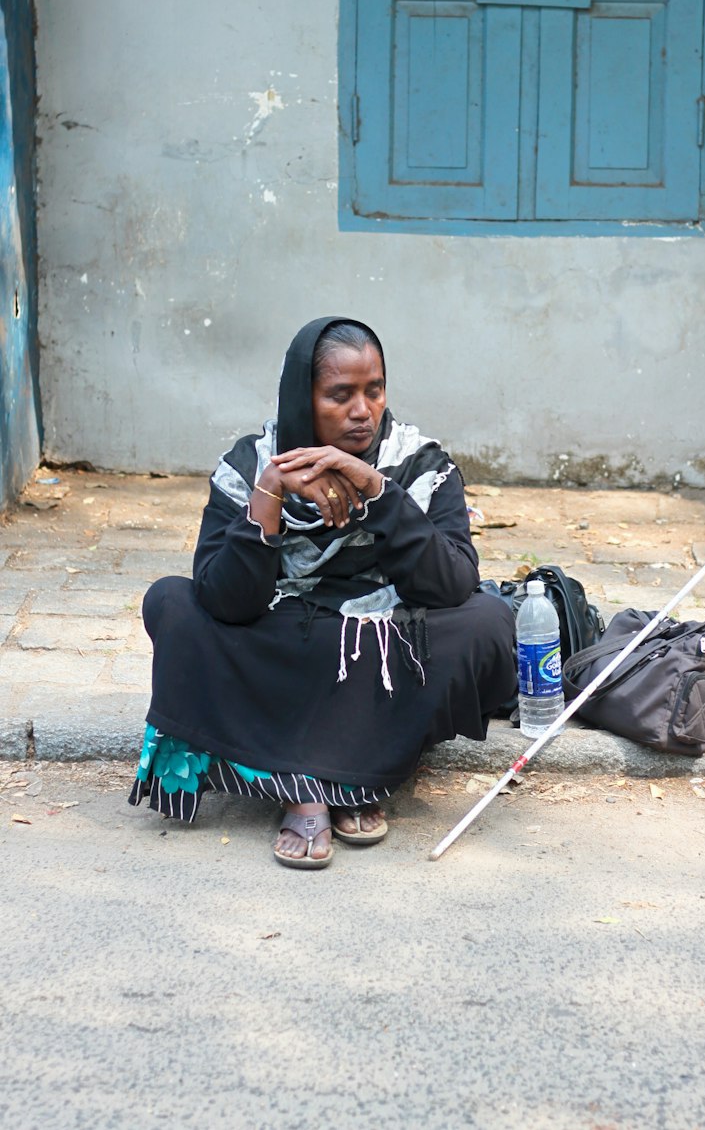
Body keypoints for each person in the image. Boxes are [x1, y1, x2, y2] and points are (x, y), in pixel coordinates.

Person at [128, 316, 517, 869]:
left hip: (380, 639)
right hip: (282, 635)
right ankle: (342, 783)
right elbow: (224, 601)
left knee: (488, 621)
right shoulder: (249, 464)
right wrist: (269, 494)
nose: (362, 410)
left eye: (373, 391)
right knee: (170, 602)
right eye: (340, 395)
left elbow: (452, 584)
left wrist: (379, 491)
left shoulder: (420, 463)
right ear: (301, 398)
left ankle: (317, 776)